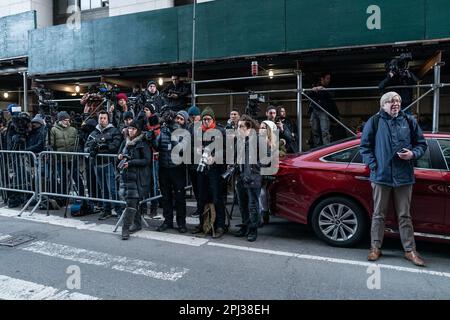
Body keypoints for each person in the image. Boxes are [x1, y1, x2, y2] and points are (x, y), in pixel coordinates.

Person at [360, 91, 428, 267]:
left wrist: (413, 154)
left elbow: (422, 143)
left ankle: (410, 250)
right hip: (381, 177)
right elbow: (365, 147)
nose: (395, 103)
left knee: (405, 216)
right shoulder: (374, 121)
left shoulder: (409, 120)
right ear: (383, 105)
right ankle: (375, 248)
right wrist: (375, 166)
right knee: (378, 215)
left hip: (404, 177)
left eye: (397, 100)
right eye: (391, 101)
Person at [192, 107, 227, 238]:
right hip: (202, 170)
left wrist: (215, 157)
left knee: (217, 198)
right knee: (201, 198)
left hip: (216, 170)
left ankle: (219, 226)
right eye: (204, 119)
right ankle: (202, 224)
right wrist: (196, 150)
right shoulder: (198, 132)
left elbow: (227, 150)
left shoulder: (220, 131)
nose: (206, 121)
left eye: (208, 119)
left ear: (213, 119)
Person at [154, 110, 190, 233]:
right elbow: (157, 146)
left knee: (180, 197)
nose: (176, 120)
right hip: (164, 168)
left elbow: (181, 149)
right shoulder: (163, 130)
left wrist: (173, 135)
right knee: (166, 197)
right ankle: (167, 221)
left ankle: (181, 223)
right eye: (176, 118)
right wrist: (153, 136)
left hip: (177, 169)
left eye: (179, 118)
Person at [85, 111, 124, 220]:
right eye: (100, 118)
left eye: (104, 118)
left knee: (112, 189)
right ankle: (106, 210)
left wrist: (103, 148)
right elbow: (87, 146)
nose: (102, 120)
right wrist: (91, 149)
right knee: (103, 189)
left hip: (109, 164)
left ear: (108, 119)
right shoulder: (93, 133)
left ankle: (118, 210)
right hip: (97, 164)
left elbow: (116, 146)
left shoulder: (114, 131)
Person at [118, 120, 152, 240]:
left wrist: (131, 163)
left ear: (137, 131)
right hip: (126, 177)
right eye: (129, 128)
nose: (130, 131)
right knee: (132, 202)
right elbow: (119, 154)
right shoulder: (125, 142)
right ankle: (137, 224)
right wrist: (120, 156)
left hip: (138, 177)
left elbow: (147, 160)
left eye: (133, 129)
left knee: (131, 203)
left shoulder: (143, 143)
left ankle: (125, 228)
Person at [234, 115, 262, 242]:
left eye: (241, 126)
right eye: (238, 126)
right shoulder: (239, 140)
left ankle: (253, 229)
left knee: (253, 205)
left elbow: (267, 157)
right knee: (242, 204)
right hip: (240, 177)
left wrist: (254, 168)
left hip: (252, 177)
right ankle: (245, 226)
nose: (238, 128)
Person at [308, 72, 340, 147]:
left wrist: (323, 89)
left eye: (329, 78)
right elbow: (307, 94)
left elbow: (332, 95)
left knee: (324, 131)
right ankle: (317, 148)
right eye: (327, 78)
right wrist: (313, 89)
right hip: (314, 109)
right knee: (315, 130)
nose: (329, 80)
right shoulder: (315, 85)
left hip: (324, 110)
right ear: (322, 78)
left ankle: (326, 148)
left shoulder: (329, 87)